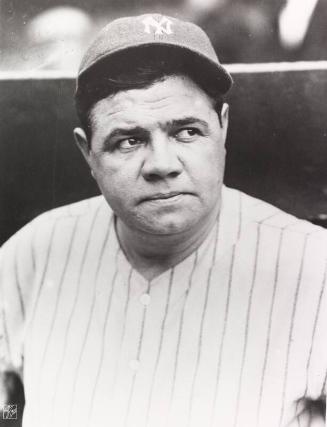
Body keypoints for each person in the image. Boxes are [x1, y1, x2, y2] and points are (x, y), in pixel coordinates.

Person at [1, 13, 326, 427]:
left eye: (187, 132)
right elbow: (5, 407)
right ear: (88, 154)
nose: (162, 165)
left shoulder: (315, 268)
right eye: (129, 140)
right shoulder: (32, 254)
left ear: (223, 129)